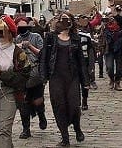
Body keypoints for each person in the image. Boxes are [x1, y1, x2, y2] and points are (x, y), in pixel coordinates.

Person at [0, 16, 31, 148]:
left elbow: (23, 76)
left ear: (8, 32)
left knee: (4, 131)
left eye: (0, 30)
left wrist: (1, 74)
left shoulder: (18, 53)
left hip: (9, 92)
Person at [40, 12, 87, 147]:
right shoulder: (50, 37)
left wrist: (86, 81)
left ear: (71, 21)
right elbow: (44, 57)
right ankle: (64, 137)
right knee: (59, 106)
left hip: (72, 77)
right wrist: (43, 76)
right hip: (56, 77)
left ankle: (77, 128)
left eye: (66, 19)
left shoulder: (76, 38)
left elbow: (81, 61)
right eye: (61, 19)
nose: (64, 22)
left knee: (73, 106)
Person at [13, 17, 47, 139]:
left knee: (37, 100)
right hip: (22, 74)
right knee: (24, 102)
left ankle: (41, 114)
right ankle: (26, 129)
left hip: (35, 72)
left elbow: (42, 53)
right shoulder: (17, 38)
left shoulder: (36, 36)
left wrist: (30, 46)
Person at [104, 6, 122, 91]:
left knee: (119, 68)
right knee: (109, 67)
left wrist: (119, 14)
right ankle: (111, 79)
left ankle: (117, 82)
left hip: (119, 49)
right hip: (109, 49)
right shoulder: (105, 26)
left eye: (113, 17)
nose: (111, 19)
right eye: (110, 17)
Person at [76, 15, 97, 111]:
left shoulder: (86, 37)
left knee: (84, 83)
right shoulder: (66, 38)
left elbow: (90, 52)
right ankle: (77, 101)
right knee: (75, 85)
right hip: (73, 64)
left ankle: (84, 100)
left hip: (84, 62)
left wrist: (91, 66)